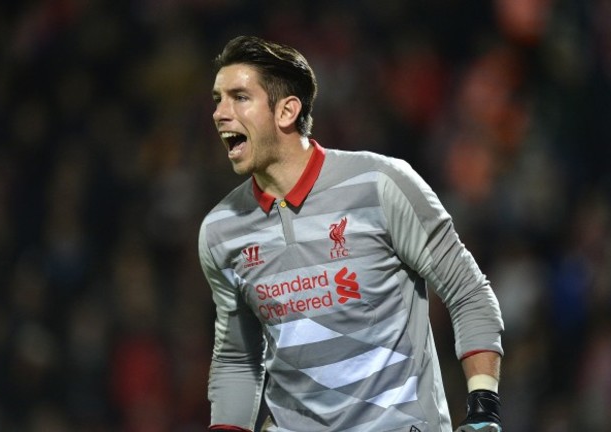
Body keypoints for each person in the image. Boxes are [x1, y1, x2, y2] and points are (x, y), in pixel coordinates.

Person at [199, 35, 504, 432]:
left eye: (239, 97)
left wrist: (483, 410)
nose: (220, 112)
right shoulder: (221, 231)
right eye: (217, 99)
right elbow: (238, 358)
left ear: (286, 111)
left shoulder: (380, 185)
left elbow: (468, 292)